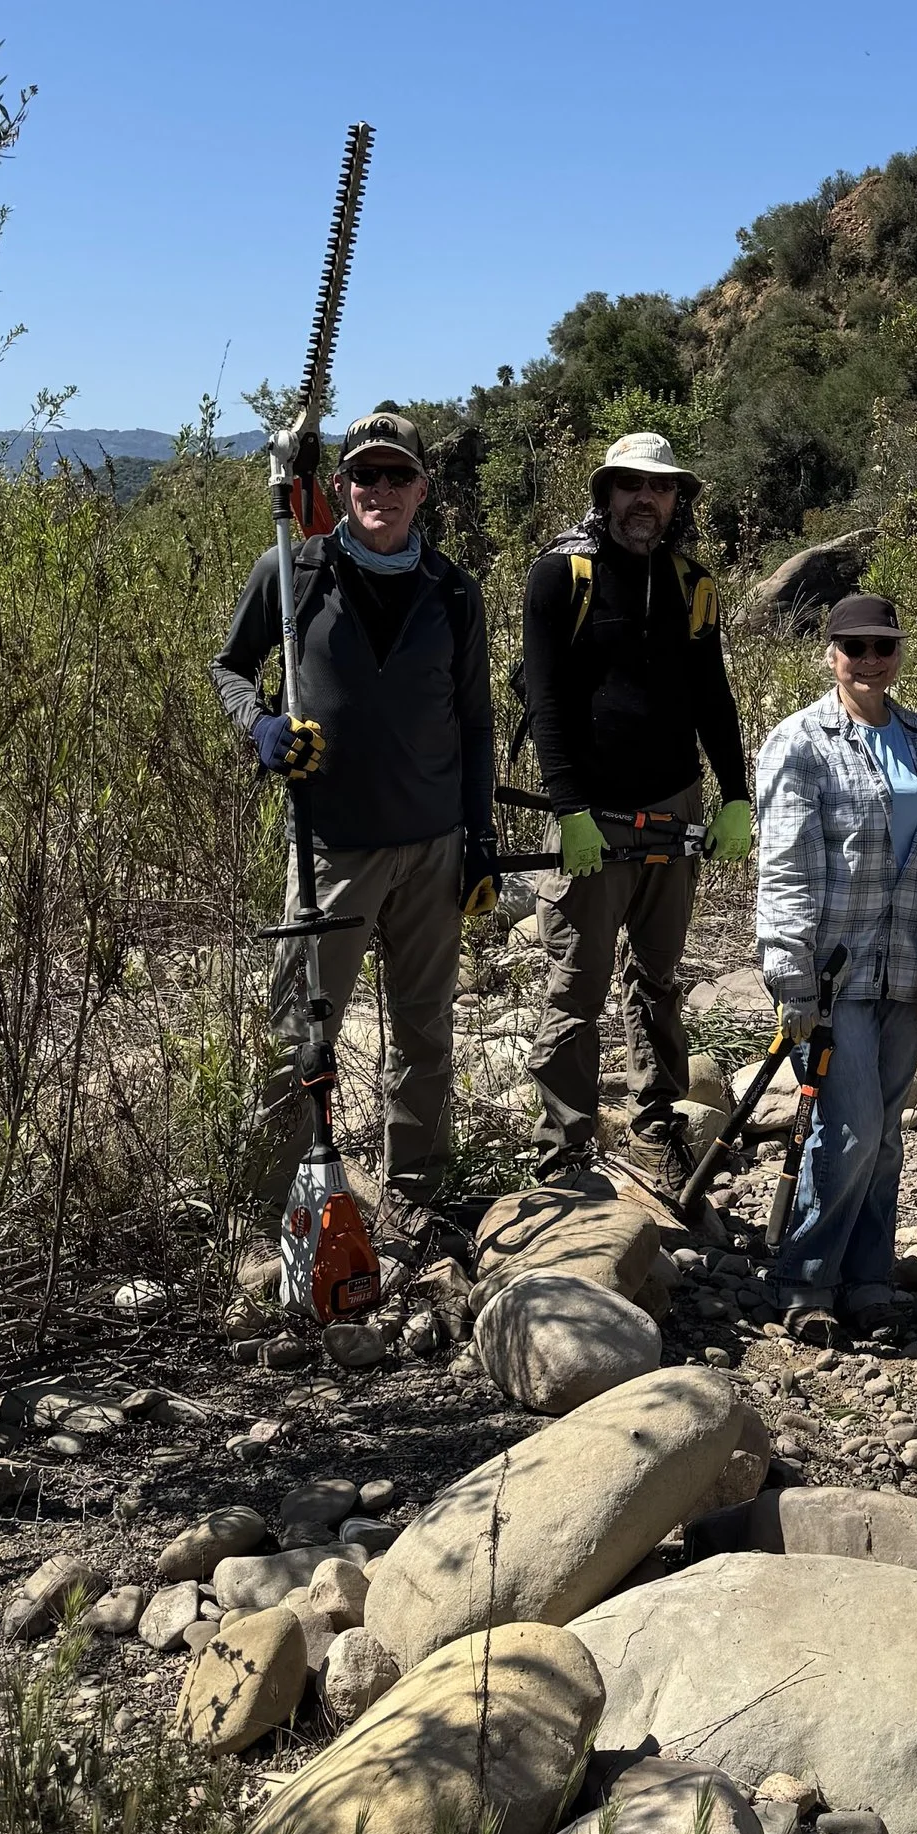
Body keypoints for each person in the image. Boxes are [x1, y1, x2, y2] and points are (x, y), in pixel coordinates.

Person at [211, 404, 498, 1257]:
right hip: (330, 843)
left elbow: (476, 722)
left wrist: (479, 839)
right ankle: (270, 1218)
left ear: (423, 490)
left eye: (397, 475)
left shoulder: (453, 590)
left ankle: (417, 1194)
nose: (380, 489)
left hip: (434, 845)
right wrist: (261, 728)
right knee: (297, 1029)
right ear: (338, 487)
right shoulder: (292, 572)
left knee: (424, 1029)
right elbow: (230, 666)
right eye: (364, 475)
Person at [517, 429, 755, 1196]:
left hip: (674, 807)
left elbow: (714, 700)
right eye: (631, 485)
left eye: (661, 488)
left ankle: (657, 1124)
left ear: (677, 499)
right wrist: (570, 809)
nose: (645, 500)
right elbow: (548, 703)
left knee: (657, 975)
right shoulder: (561, 576)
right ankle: (562, 1147)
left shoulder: (693, 583)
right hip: (593, 816)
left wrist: (736, 795)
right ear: (606, 492)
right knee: (577, 984)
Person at [753, 592, 917, 1346]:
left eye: (884, 645)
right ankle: (806, 1278)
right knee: (849, 1131)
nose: (871, 660)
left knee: (886, 1134)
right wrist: (789, 975)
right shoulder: (799, 741)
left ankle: (869, 1278)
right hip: (830, 977)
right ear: (830, 652)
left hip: (901, 971)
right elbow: (784, 867)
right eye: (855, 646)